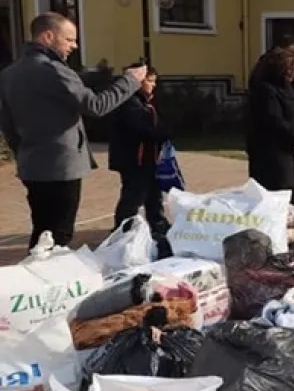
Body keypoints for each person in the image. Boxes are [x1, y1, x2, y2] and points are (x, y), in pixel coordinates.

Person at [0, 12, 145, 249]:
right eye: (69, 40)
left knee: (42, 230)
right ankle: (53, 279)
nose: (74, 46)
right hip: (61, 167)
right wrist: (130, 80)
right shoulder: (55, 70)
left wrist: (24, 151)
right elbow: (97, 105)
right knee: (59, 234)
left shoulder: (9, 74)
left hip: (31, 166)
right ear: (48, 36)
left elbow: (6, 124)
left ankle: (37, 276)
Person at [108, 63, 171, 233]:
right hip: (134, 160)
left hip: (148, 159)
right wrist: (162, 132)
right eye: (150, 81)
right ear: (138, 81)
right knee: (134, 196)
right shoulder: (129, 103)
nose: (154, 85)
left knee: (153, 194)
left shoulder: (145, 102)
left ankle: (158, 224)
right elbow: (141, 129)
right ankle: (123, 229)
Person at [246, 48, 294, 195]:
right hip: (272, 159)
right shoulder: (265, 90)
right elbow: (274, 121)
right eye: (290, 67)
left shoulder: (290, 88)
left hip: (291, 155)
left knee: (291, 195)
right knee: (277, 196)